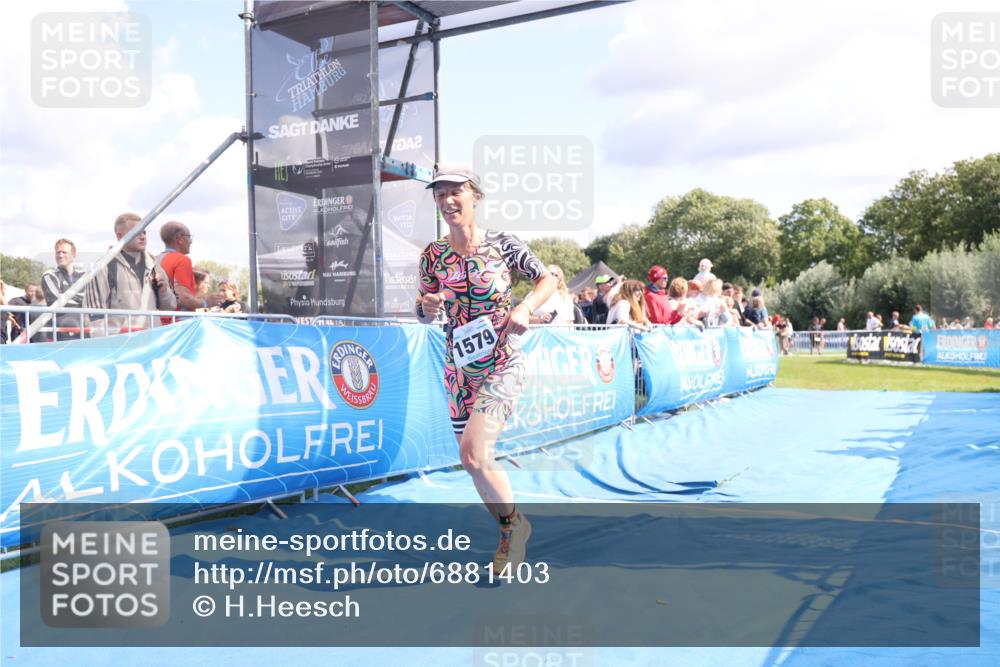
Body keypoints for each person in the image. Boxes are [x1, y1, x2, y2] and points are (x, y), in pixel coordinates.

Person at [415, 165, 556, 574]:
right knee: (475, 461)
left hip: (502, 360)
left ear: (475, 195)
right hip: (459, 369)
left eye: (455, 192)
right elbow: (423, 309)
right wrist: (426, 308)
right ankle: (514, 526)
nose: (447, 201)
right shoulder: (433, 255)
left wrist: (526, 307)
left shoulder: (503, 244)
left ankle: (511, 534)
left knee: (472, 452)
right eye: (440, 195)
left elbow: (546, 279)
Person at [84, 212, 177, 334]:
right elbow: (94, 316)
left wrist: (163, 291)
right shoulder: (102, 267)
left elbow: (170, 306)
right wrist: (107, 347)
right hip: (121, 347)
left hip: (152, 344)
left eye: (144, 232)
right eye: (136, 232)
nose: (143, 237)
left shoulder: (154, 265)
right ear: (119, 236)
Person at [159, 221, 224, 313]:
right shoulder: (182, 260)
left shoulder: (156, 259)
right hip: (178, 322)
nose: (191, 242)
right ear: (179, 239)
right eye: (189, 237)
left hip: (159, 321)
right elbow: (182, 297)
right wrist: (205, 302)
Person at [40, 238, 87, 340]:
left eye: (64, 252)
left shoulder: (85, 276)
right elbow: (56, 301)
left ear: (73, 254)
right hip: (59, 332)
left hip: (84, 330)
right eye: (58, 252)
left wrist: (66, 295)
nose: (60, 255)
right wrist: (82, 299)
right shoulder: (49, 275)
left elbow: (92, 299)